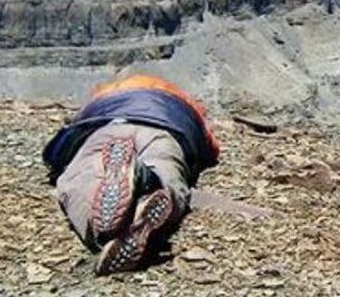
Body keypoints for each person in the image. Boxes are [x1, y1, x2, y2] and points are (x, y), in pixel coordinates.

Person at [43, 75, 219, 275]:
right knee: (169, 174)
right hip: (166, 128)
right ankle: (150, 181)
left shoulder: (101, 98)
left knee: (79, 179)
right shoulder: (185, 102)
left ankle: (101, 233)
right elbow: (209, 147)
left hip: (107, 128)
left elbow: (57, 150)